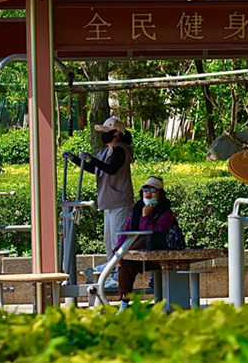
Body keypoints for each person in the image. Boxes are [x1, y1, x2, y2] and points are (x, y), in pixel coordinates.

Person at [63, 116, 134, 287]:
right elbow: (94, 168)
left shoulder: (121, 150)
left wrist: (91, 159)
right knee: (109, 243)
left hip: (119, 202)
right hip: (108, 203)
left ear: (117, 132)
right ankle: (113, 273)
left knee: (118, 242)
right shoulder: (105, 152)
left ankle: (118, 277)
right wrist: (75, 159)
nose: (104, 134)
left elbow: (111, 169)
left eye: (106, 131)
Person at [113, 176, 175, 312]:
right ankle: (124, 302)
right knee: (126, 265)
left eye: (153, 190)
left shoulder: (165, 212)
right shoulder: (136, 209)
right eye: (145, 189)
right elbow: (127, 231)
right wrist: (118, 249)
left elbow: (151, 234)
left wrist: (147, 216)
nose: (148, 193)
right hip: (137, 255)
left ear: (160, 194)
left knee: (142, 241)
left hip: (157, 254)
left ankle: (120, 257)